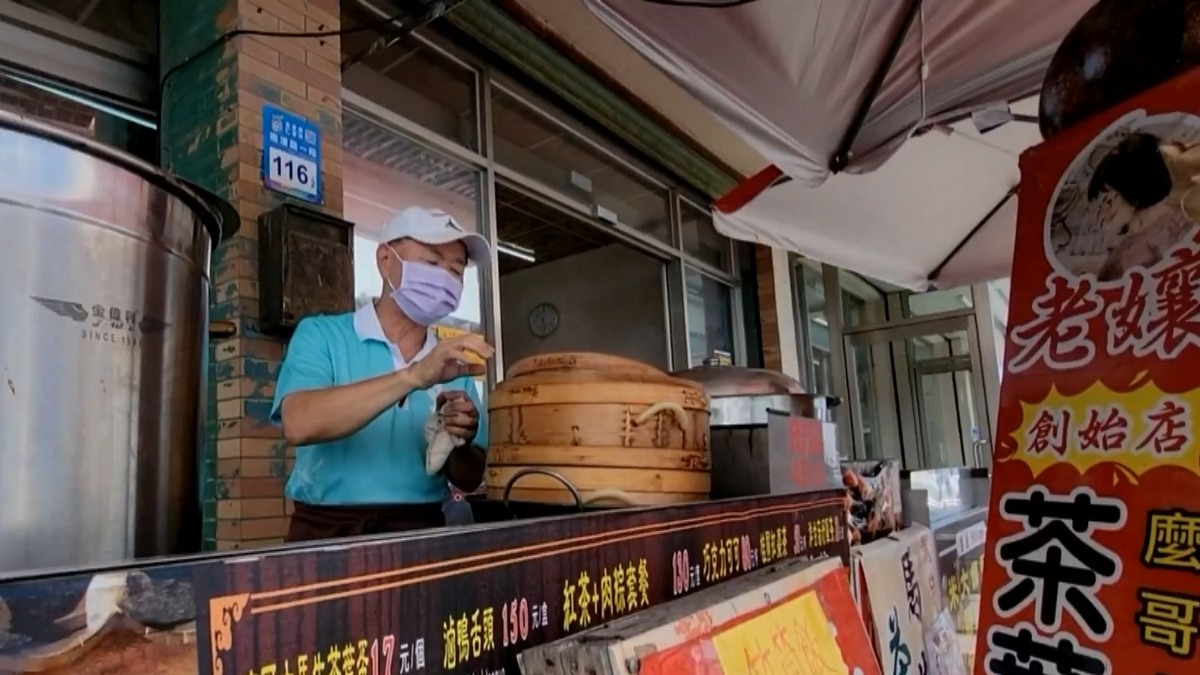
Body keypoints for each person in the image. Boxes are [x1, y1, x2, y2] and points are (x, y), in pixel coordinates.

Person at [270, 206, 495, 542]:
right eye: (432, 263)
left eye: (456, 271)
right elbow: (299, 422)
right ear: (385, 260)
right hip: (326, 531)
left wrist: (460, 438)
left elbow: (469, 478)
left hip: (420, 531)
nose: (445, 279)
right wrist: (415, 375)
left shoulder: (455, 363)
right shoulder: (322, 335)